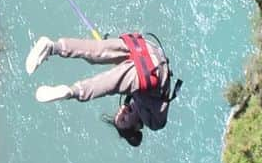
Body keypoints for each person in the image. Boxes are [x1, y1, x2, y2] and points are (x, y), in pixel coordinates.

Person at [25, 33, 175, 147]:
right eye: (124, 120)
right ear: (136, 126)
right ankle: (72, 92)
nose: (122, 111)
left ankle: (53, 47)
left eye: (119, 114)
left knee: (98, 52)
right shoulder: (155, 123)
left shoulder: (133, 95)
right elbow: (155, 108)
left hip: (144, 50)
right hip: (151, 69)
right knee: (111, 81)